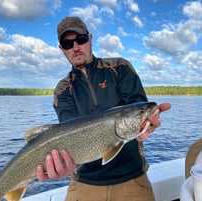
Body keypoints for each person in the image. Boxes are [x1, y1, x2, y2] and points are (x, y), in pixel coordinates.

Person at [36, 16, 171, 201]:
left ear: (90, 39)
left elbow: (138, 105)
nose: (75, 47)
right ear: (62, 49)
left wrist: (147, 123)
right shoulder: (62, 90)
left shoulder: (120, 67)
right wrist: (62, 166)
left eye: (81, 40)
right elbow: (68, 132)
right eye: (68, 44)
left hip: (132, 179)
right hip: (84, 183)